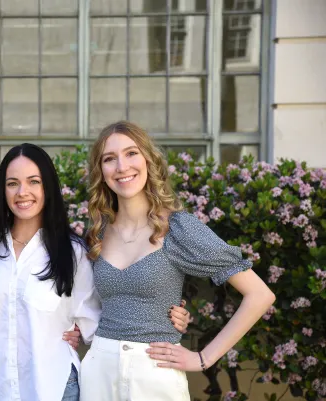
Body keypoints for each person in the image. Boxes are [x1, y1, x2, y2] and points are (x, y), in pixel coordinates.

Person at [0, 144, 189, 401]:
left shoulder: (73, 252)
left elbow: (103, 319)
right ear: (3, 190)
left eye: (34, 181)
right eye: (12, 183)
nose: (23, 192)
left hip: (52, 389)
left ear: (48, 189)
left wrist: (166, 314)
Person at [79, 121, 276, 401]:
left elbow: (259, 295)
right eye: (110, 159)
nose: (122, 166)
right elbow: (86, 302)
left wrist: (203, 358)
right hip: (98, 373)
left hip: (155, 375)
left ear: (148, 159)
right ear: (102, 172)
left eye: (131, 153)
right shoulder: (98, 233)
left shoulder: (178, 228)